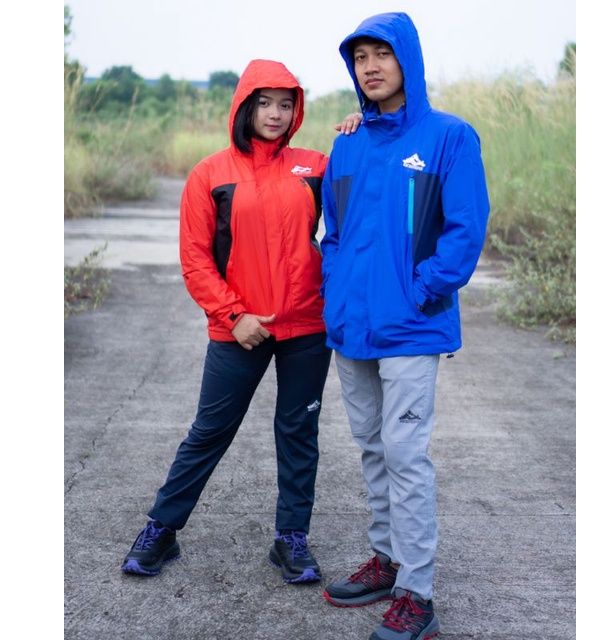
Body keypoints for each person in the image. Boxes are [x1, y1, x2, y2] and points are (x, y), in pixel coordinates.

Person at [121, 59, 361, 584]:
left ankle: (291, 539)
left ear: (297, 110)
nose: (275, 114)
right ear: (244, 107)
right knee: (210, 430)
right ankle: (161, 529)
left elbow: (365, 176)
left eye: (286, 104)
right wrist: (233, 316)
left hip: (306, 327)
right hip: (238, 329)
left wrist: (363, 124)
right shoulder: (210, 174)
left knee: (298, 433)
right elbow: (195, 260)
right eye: (265, 103)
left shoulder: (315, 166)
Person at [320, 12, 490, 640]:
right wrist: (336, 291)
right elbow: (333, 233)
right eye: (360, 57)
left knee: (405, 454)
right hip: (352, 326)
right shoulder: (348, 142)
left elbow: (465, 230)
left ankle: (418, 594)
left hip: (412, 328)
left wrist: (421, 292)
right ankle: (387, 559)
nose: (370, 66)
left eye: (382, 54)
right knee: (371, 447)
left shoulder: (449, 136)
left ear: (407, 60)